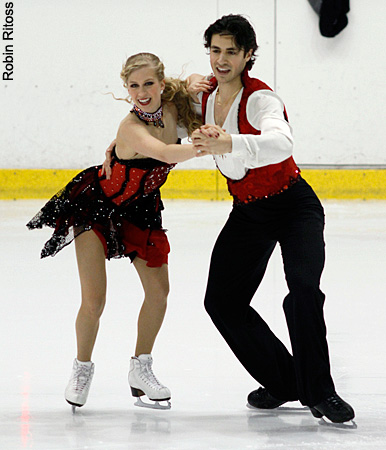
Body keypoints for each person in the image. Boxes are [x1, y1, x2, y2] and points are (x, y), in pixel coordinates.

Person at [188, 14, 355, 424]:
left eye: (231, 52)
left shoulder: (262, 99)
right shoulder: (206, 97)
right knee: (222, 302)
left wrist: (230, 141)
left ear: (248, 55)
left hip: (294, 206)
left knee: (302, 289)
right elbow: (165, 112)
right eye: (215, 50)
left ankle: (321, 392)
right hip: (249, 211)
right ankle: (284, 382)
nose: (221, 60)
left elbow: (281, 142)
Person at [27, 52, 204, 411]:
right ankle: (81, 367)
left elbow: (203, 83)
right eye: (133, 86)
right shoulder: (130, 128)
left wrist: (199, 79)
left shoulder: (172, 104)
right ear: (125, 89)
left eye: (148, 83)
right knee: (95, 301)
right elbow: (166, 151)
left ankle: (141, 367)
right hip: (98, 207)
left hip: (141, 209)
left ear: (162, 83)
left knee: (160, 292)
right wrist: (209, 146)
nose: (141, 92)